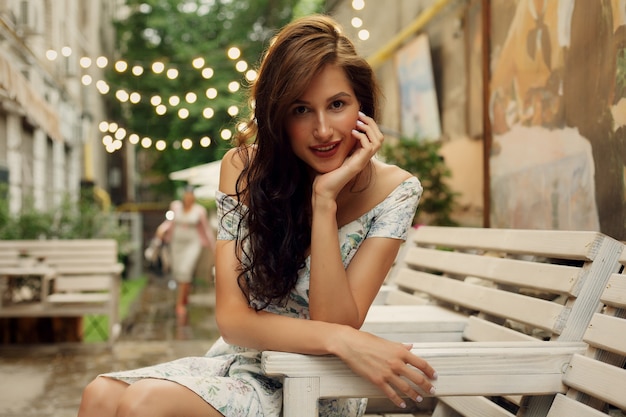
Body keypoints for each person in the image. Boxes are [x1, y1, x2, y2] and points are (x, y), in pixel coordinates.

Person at [77, 14, 437, 417]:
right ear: (278, 116)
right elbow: (233, 320)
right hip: (244, 362)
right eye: (301, 109)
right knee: (100, 394)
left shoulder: (396, 191)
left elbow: (335, 319)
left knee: (144, 404)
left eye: (337, 104)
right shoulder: (244, 170)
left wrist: (324, 202)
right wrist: (341, 339)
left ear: (362, 108)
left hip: (314, 381)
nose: (322, 130)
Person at [156, 185, 216, 325]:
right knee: (179, 273)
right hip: (176, 244)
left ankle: (180, 304)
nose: (188, 198)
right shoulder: (176, 207)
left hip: (192, 244)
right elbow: (169, 222)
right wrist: (161, 229)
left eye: (191, 196)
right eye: (186, 195)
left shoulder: (199, 211)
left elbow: (206, 229)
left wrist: (214, 247)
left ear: (193, 197)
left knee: (185, 270)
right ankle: (185, 298)